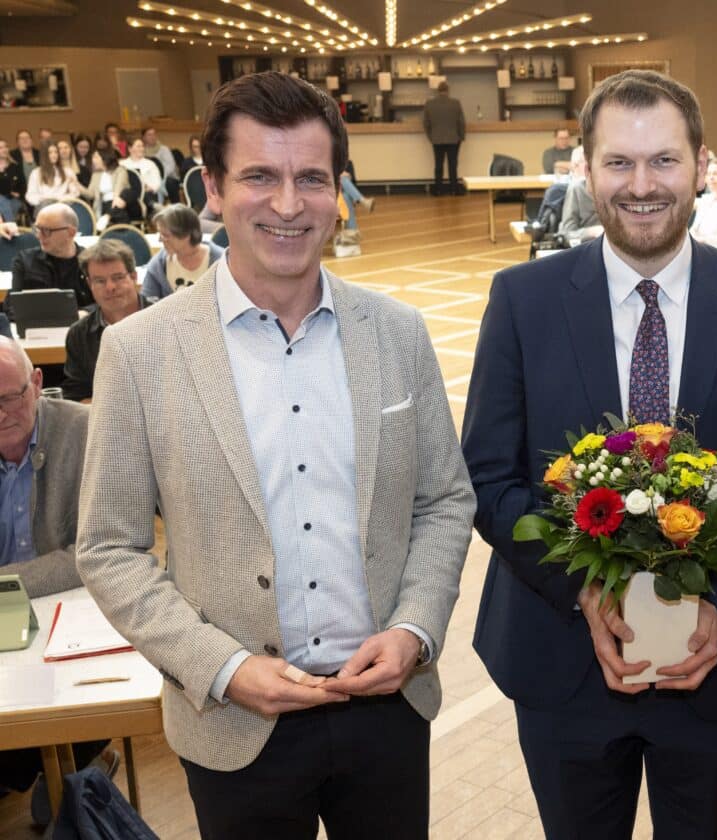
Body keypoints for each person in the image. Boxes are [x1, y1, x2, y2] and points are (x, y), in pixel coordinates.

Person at [75, 70, 476, 839]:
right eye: (260, 176)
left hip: (385, 709)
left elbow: (444, 500)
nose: (289, 205)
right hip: (232, 722)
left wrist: (416, 628)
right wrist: (222, 667)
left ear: (337, 189)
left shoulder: (397, 333)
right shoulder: (138, 351)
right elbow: (108, 546)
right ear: (214, 188)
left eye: (311, 180)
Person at [462, 68, 717, 840]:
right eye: (619, 161)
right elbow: (488, 479)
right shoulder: (522, 302)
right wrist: (582, 591)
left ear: (700, 164)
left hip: (712, 666)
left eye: (664, 161)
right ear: (584, 169)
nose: (642, 184)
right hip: (560, 659)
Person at [0, 337, 119, 829]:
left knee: (53, 807)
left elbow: (94, 553)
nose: (1, 414)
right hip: (7, 620)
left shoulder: (87, 431)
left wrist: (5, 583)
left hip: (75, 616)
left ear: (37, 384)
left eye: (10, 398)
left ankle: (72, 756)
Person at [63, 240, 152, 402]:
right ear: (90, 284)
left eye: (118, 278)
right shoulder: (79, 334)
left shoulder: (164, 321)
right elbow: (77, 397)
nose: (110, 287)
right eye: (100, 281)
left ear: (134, 277)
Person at [8, 202, 94, 313]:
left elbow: (107, 304)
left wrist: (86, 313)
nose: (39, 236)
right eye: (37, 229)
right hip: (37, 326)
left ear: (71, 232)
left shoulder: (90, 262)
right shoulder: (25, 261)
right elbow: (12, 306)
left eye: (46, 231)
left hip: (82, 326)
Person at [141, 204, 225, 300]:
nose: (160, 240)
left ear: (186, 235)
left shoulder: (221, 262)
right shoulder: (159, 264)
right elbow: (146, 302)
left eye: (165, 235)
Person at [422, 80, 465, 196]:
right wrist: (461, 136)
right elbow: (461, 122)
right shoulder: (456, 103)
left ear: (438, 91)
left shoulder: (429, 104)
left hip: (437, 139)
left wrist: (430, 136)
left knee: (438, 165)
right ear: (448, 90)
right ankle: (454, 189)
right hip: (453, 139)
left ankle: (438, 189)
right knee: (453, 164)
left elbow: (426, 123)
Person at [81, 147, 139, 229]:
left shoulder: (120, 170)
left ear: (105, 158)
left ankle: (108, 216)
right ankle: (126, 231)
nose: (93, 160)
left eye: (96, 157)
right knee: (119, 213)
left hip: (124, 202)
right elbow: (90, 194)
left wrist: (111, 210)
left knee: (125, 195)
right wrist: (77, 185)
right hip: (107, 205)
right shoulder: (96, 175)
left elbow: (119, 190)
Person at [557, 145, 601, 239]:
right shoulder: (576, 188)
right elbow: (567, 232)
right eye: (587, 162)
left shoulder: (607, 186)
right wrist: (592, 231)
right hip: (585, 244)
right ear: (575, 165)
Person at [24, 141, 80, 210]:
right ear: (44, 155)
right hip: (43, 209)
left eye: (56, 152)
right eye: (50, 152)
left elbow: (75, 193)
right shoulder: (36, 173)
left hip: (63, 207)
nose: (54, 155)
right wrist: (45, 199)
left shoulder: (68, 172)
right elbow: (30, 196)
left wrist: (59, 199)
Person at [119, 136, 163, 209]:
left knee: (143, 193)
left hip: (147, 193)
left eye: (142, 146)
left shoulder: (150, 164)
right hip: (128, 195)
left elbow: (157, 182)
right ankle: (151, 204)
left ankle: (151, 205)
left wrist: (150, 188)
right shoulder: (122, 164)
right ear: (130, 149)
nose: (142, 149)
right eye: (138, 146)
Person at [0, 138, 26, 222]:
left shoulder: (15, 167)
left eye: (6, 147)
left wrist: (18, 193)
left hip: (14, 200)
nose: (4, 149)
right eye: (0, 148)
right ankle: (11, 227)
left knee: (7, 203)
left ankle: (9, 227)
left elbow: (23, 186)